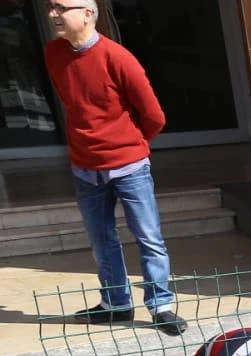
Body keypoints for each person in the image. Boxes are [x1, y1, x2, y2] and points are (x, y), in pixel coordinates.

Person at [43, 0, 185, 337]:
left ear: (88, 13)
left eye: (60, 7)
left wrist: (130, 145)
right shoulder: (54, 53)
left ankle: (160, 305)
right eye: (51, 7)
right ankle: (116, 303)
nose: (53, 14)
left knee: (148, 237)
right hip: (84, 167)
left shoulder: (118, 58)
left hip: (129, 167)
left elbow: (154, 116)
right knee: (100, 239)